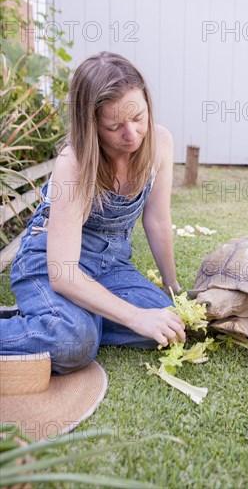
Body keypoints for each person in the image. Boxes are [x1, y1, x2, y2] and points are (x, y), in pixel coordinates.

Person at [0, 51, 186, 374]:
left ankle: (63, 316)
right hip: (49, 263)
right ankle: (65, 321)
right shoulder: (72, 164)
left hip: (110, 265)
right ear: (93, 124)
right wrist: (134, 316)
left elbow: (156, 221)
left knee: (168, 320)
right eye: (115, 126)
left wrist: (175, 290)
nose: (131, 135)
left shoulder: (161, 144)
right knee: (74, 342)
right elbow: (63, 273)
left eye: (138, 118)